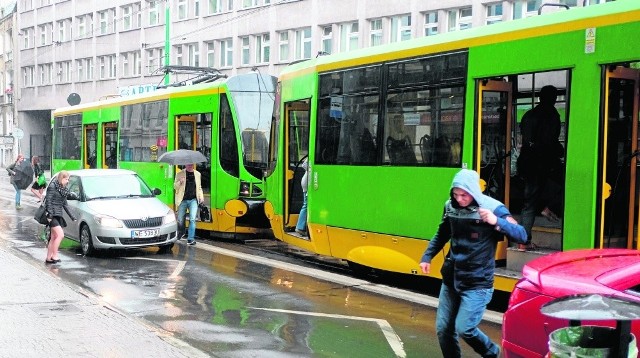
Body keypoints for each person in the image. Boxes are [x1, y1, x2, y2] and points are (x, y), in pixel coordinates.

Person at [419, 169, 527, 358]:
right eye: (456, 194)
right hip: (451, 278)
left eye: (464, 195)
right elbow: (442, 233)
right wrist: (427, 257)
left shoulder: (494, 208)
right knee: (443, 329)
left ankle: (492, 352)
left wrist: (496, 221)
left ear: (474, 192)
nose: (459, 199)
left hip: (477, 283)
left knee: (465, 328)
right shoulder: (449, 207)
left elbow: (522, 235)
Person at [517, 85, 563, 250]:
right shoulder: (551, 115)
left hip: (526, 163)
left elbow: (526, 140)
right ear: (553, 98)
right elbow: (549, 141)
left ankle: (523, 240)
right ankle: (546, 207)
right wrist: (559, 150)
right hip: (543, 164)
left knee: (528, 203)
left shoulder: (529, 115)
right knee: (563, 185)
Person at [44, 170, 77, 264]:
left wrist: (72, 216)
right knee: (60, 235)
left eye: (68, 179)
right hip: (52, 215)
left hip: (58, 214)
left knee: (54, 236)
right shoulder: (52, 187)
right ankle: (54, 256)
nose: (68, 181)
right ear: (61, 178)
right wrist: (49, 214)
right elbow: (48, 201)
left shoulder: (62, 188)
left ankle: (49, 258)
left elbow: (65, 204)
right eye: (66, 179)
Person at [174, 163, 204, 246]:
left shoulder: (198, 174)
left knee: (192, 219)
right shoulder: (179, 174)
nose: (190, 166)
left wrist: (201, 196)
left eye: (191, 164)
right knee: (180, 220)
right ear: (185, 165)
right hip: (182, 200)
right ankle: (181, 232)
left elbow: (199, 187)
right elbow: (175, 187)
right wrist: (180, 182)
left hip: (193, 200)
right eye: (188, 164)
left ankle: (190, 239)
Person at [295, 157, 310, 237]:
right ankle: (300, 227)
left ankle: (302, 227)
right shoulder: (311, 155)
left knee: (306, 204)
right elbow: (304, 165)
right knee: (306, 204)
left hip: (306, 181)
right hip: (308, 182)